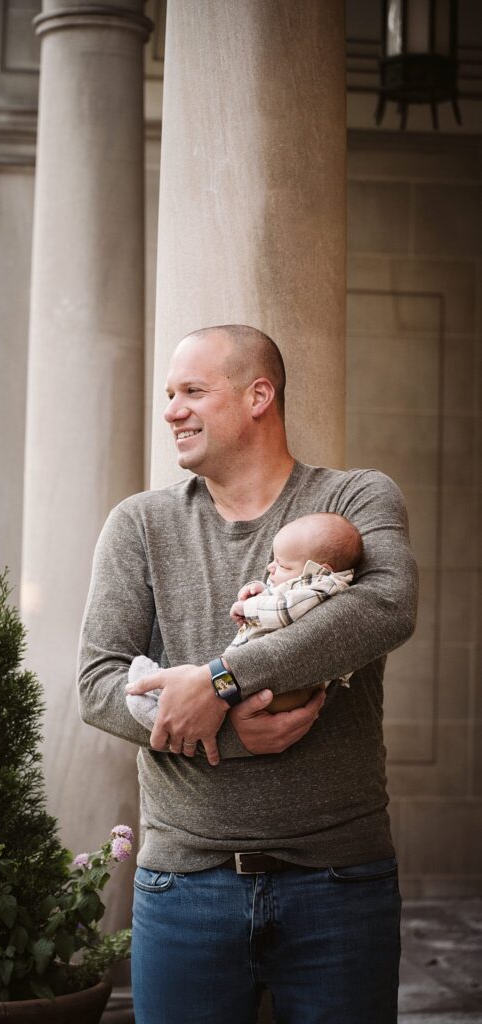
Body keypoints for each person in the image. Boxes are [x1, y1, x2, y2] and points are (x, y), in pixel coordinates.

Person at [77, 324, 418, 1024]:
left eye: (192, 391)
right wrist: (229, 732)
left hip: (339, 882)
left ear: (259, 395)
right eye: (170, 394)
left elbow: (385, 607)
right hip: (183, 886)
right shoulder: (139, 525)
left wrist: (219, 679)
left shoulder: (355, 500)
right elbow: (98, 683)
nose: (171, 409)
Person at [126, 510, 363, 727]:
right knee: (212, 690)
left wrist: (250, 608)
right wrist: (261, 590)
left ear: (319, 569)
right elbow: (286, 597)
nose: (271, 567)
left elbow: (285, 611)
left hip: (283, 689)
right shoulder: (309, 584)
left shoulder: (323, 585)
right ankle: (173, 703)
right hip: (270, 680)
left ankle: (164, 713)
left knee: (215, 694)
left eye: (282, 565)